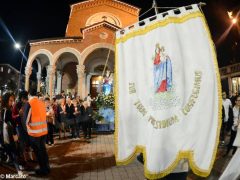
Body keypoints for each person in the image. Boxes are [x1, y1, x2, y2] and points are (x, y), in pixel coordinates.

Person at [23, 88, 50, 176]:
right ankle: (47, 167)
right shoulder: (41, 102)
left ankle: (43, 170)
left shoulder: (29, 103)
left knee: (38, 152)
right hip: (43, 131)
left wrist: (26, 131)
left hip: (35, 132)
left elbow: (26, 120)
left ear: (29, 95)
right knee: (43, 150)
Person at [1, 92, 22, 174]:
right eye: (10, 100)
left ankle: (9, 160)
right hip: (8, 134)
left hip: (3, 135)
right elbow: (12, 124)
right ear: (6, 100)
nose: (12, 102)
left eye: (12, 100)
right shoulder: (8, 111)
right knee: (14, 151)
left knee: (8, 149)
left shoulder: (2, 109)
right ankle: (18, 170)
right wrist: (15, 135)